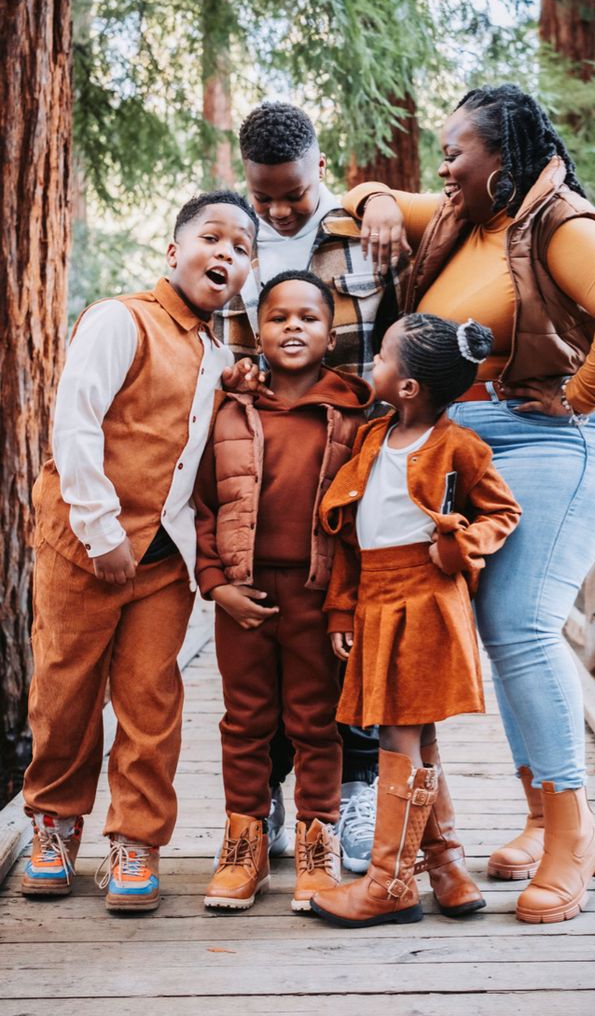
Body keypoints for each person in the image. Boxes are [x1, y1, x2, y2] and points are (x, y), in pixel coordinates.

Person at [341, 83, 595, 924]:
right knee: (500, 627)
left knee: (521, 624)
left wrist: (581, 396)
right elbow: (361, 200)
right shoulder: (467, 219)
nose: (441, 167)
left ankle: (572, 835)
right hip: (480, 439)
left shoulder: (559, 224)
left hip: (556, 438)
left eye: (455, 152)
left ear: (501, 158)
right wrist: (378, 197)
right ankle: (542, 815)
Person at [22, 190, 257, 912]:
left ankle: (136, 841)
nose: (225, 253)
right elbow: (76, 424)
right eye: (211, 238)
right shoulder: (120, 320)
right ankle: (54, 826)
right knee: (65, 691)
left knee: (152, 700)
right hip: (82, 546)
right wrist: (101, 533)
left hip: (161, 563)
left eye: (241, 248)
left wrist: (237, 385)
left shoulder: (218, 354)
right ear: (172, 250)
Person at [214, 101, 400, 872]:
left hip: (359, 446)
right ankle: (277, 806)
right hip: (269, 444)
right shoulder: (236, 239)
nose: (279, 208)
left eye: (292, 193)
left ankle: (355, 791)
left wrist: (380, 192)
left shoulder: (364, 225)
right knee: (272, 671)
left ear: (321, 169)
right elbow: (224, 335)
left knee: (350, 634)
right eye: (265, 197)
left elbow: (405, 314)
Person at [309, 314, 522, 928]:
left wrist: (461, 542)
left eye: (381, 362)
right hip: (376, 597)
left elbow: (502, 512)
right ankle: (447, 869)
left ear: (408, 388)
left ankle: (388, 884)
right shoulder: (373, 439)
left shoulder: (460, 447)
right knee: (417, 737)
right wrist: (342, 607)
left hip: (426, 600)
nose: (370, 368)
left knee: (396, 734)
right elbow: (352, 540)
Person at [195, 271, 374, 912]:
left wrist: (343, 605)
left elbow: (359, 526)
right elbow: (204, 505)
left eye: (308, 317)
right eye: (278, 318)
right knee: (244, 721)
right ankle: (243, 845)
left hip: (315, 594)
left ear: (331, 333)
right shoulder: (230, 408)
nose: (292, 327)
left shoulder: (355, 415)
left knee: (315, 723)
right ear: (258, 331)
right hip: (242, 596)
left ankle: (315, 844)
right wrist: (217, 585)